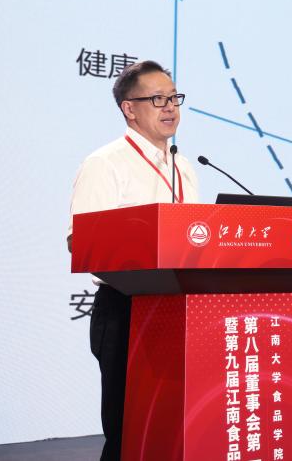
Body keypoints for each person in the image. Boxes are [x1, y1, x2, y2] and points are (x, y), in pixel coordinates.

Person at [67, 60, 199, 461]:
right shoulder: (105, 163)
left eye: (174, 98)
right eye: (158, 99)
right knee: (130, 432)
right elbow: (81, 242)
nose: (170, 107)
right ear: (129, 108)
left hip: (180, 308)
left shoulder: (184, 166)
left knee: (176, 429)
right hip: (127, 309)